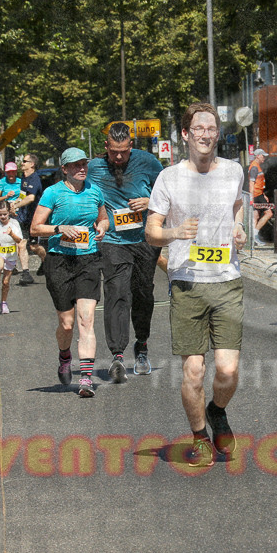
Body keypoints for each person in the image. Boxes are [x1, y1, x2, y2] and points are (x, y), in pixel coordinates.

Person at [146, 102, 246, 468]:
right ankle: (200, 435)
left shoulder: (234, 171)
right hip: (187, 282)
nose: (206, 135)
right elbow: (151, 232)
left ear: (217, 133)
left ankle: (216, 410)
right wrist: (175, 232)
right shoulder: (169, 178)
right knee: (193, 370)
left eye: (211, 128)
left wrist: (239, 227)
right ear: (186, 135)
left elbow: (237, 206)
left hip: (227, 280)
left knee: (228, 370)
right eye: (198, 129)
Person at [30, 148, 110, 398]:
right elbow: (35, 228)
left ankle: (86, 378)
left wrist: (103, 227)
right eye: (75, 165)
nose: (82, 168)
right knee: (67, 324)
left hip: (88, 259)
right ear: (64, 169)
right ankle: (65, 356)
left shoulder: (94, 191)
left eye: (84, 164)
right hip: (60, 261)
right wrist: (59, 228)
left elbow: (104, 218)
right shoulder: (53, 193)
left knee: (86, 319)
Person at [87, 122, 163, 381]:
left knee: (143, 293)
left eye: (123, 152)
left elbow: (168, 193)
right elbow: (82, 193)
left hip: (144, 239)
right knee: (117, 292)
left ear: (131, 146)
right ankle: (117, 356)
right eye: (113, 152)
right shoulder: (94, 168)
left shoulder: (148, 162)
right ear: (106, 146)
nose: (118, 157)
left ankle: (141, 345)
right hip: (112, 240)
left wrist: (150, 201)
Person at [15, 154, 43, 286]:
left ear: (32, 164)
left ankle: (45, 261)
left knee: (34, 247)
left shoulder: (35, 179)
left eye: (24, 161)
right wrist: (14, 203)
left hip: (34, 218)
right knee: (21, 244)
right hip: (23, 217)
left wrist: (17, 205)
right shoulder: (24, 178)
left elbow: (31, 198)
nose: (22, 163)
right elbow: (23, 195)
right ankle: (26, 273)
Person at [248, 148, 272, 247]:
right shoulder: (254, 167)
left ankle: (253, 238)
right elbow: (251, 184)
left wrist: (264, 195)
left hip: (258, 194)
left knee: (256, 216)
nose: (264, 158)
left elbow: (258, 182)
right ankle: (255, 234)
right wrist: (251, 199)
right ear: (257, 156)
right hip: (256, 195)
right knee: (269, 213)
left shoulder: (256, 166)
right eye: (263, 156)